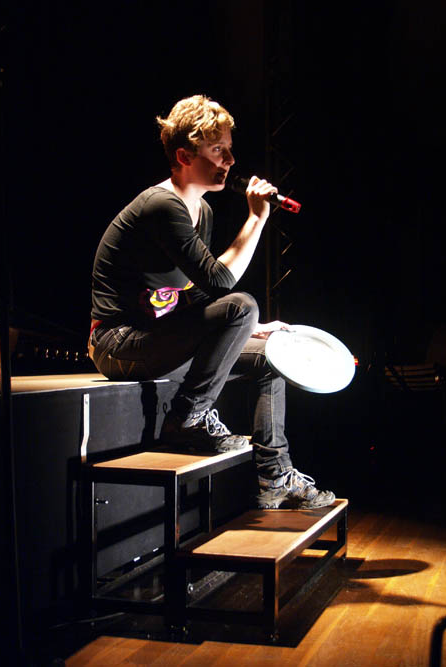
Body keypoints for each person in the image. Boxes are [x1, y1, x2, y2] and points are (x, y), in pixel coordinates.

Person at [88, 94, 335, 510]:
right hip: (118, 344)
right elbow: (221, 282)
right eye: (218, 150)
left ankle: (275, 477)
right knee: (242, 304)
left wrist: (251, 331)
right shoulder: (161, 206)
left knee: (269, 358)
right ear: (184, 156)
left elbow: (193, 294)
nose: (230, 161)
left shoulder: (201, 210)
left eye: (229, 149)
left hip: (162, 338)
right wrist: (257, 218)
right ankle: (188, 418)